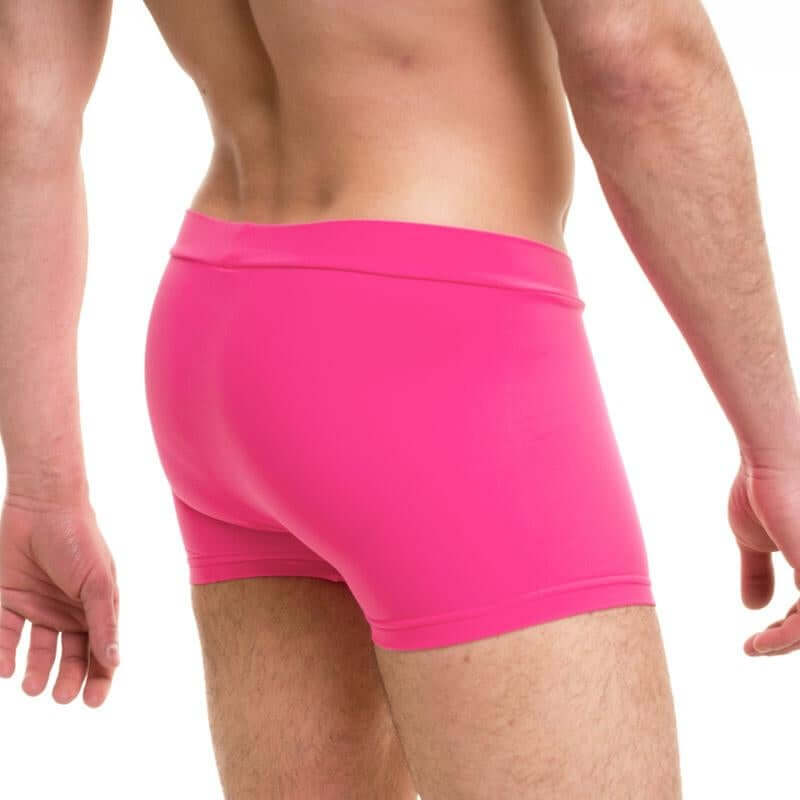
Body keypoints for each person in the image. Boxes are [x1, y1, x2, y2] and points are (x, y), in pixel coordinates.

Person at [1, 1, 798, 797]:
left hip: (215, 330)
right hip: (440, 348)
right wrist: (780, 453)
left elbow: (23, 108)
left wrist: (42, 489)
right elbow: (641, 58)